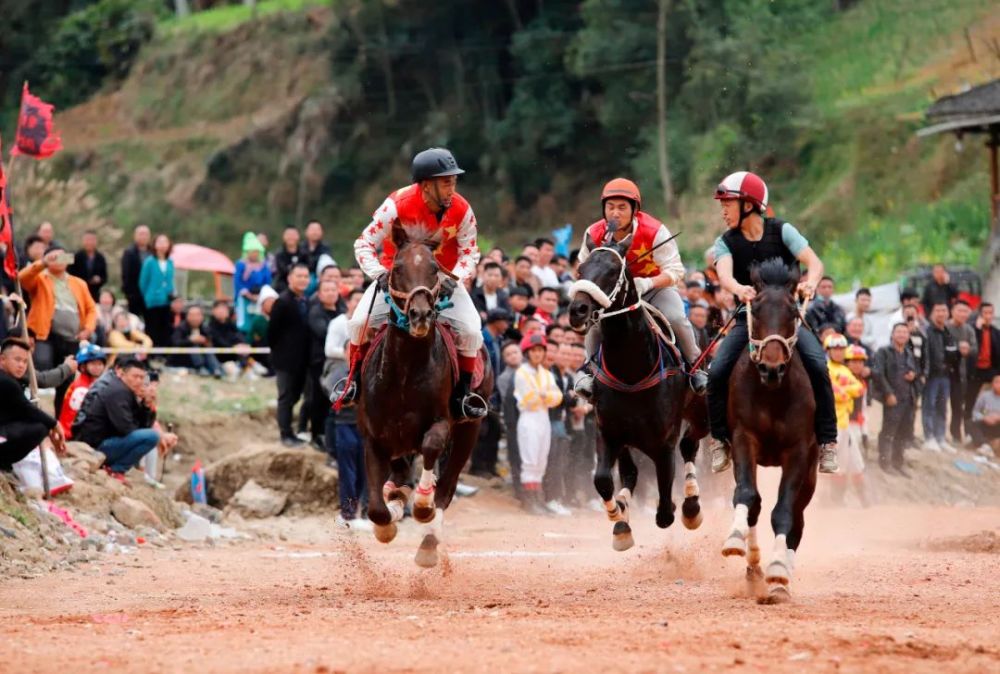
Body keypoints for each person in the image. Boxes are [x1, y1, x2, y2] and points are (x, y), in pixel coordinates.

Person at [338, 147, 487, 421]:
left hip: (443, 279)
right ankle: (353, 384)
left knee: (471, 330)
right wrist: (378, 273)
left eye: (454, 181)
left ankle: (463, 395)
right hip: (398, 279)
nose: (452, 187)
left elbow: (470, 251)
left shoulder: (463, 209)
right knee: (359, 324)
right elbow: (364, 243)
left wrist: (456, 278)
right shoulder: (396, 204)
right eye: (446, 182)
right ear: (426, 185)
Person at [705, 170, 839, 473]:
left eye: (728, 203)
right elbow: (724, 274)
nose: (723, 210)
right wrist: (738, 289)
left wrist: (811, 282)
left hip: (789, 321)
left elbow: (814, 262)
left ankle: (828, 442)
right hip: (748, 320)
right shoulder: (725, 242)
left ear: (748, 205)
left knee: (818, 365)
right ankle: (719, 440)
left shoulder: (782, 231)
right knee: (716, 374)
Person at [574, 178, 708, 397]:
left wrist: (647, 282)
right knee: (596, 322)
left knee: (675, 317)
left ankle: (695, 367)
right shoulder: (594, 233)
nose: (615, 213)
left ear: (635, 209)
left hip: (654, 288)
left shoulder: (655, 230)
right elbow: (583, 267)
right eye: (610, 207)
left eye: (622, 207)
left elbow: (676, 270)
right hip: (614, 294)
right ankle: (588, 370)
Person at [18, 244, 97, 414]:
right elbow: (22, 278)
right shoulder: (40, 278)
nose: (59, 260)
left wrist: (88, 329)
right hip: (45, 335)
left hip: (72, 337)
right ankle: (34, 412)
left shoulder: (79, 283)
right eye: (55, 257)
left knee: (67, 380)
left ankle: (60, 417)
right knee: (41, 371)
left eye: (62, 256)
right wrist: (43, 262)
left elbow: (91, 309)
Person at [72, 358, 175, 482]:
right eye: (135, 376)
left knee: (149, 435)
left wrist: (146, 405)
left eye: (142, 378)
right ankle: (116, 469)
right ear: (122, 374)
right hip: (95, 446)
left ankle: (117, 468)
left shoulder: (127, 391)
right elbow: (125, 429)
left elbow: (143, 425)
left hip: (106, 440)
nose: (139, 381)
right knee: (152, 436)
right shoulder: (118, 391)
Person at [323, 289, 370, 529]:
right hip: (344, 426)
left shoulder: (366, 372)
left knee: (365, 472)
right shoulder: (338, 372)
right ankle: (348, 513)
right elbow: (336, 396)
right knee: (348, 472)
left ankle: (362, 513)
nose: (352, 354)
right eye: (348, 350)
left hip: (364, 427)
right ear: (343, 352)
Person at [514, 333, 563, 515]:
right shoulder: (522, 372)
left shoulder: (547, 374)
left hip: (543, 418)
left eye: (540, 350)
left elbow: (557, 398)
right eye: (534, 350)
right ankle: (529, 500)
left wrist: (543, 395)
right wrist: (545, 396)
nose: (537, 354)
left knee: (541, 459)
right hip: (528, 418)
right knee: (530, 459)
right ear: (528, 352)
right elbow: (529, 399)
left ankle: (538, 499)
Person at [0, 338, 64, 470]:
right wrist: (54, 424)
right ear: (2, 359)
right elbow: (28, 410)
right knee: (40, 427)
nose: (21, 365)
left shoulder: (11, 380)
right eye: (17, 360)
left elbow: (24, 411)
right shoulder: (6, 381)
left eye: (25, 362)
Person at [269, 264, 311, 446]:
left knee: (295, 396)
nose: (302, 279)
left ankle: (292, 430)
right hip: (285, 360)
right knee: (285, 397)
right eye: (299, 276)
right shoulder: (282, 301)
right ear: (290, 278)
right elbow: (272, 332)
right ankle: (285, 433)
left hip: (302, 360)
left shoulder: (306, 301)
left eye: (305, 276)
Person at [872, 323, 920, 475]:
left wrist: (913, 374)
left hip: (908, 397)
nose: (901, 335)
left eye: (905, 332)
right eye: (898, 332)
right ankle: (885, 462)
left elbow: (913, 370)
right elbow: (878, 373)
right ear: (892, 334)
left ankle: (898, 463)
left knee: (903, 432)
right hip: (892, 397)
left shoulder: (908, 352)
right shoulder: (883, 351)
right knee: (888, 430)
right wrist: (888, 393)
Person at [824, 336, 867, 505]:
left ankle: (846, 501)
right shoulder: (826, 368)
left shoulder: (845, 370)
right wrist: (845, 392)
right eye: (835, 349)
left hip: (844, 423)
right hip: (829, 423)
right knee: (829, 464)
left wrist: (844, 392)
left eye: (842, 349)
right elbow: (833, 392)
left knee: (847, 464)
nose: (839, 352)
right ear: (828, 350)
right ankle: (825, 500)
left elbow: (859, 388)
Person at [469, 309, 511, 478]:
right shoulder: (483, 338)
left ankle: (490, 465)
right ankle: (478, 466)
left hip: (494, 392)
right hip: (481, 390)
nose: (507, 325)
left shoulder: (498, 339)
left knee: (494, 430)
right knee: (482, 430)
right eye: (505, 321)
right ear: (496, 321)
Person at [302, 279, 341, 448]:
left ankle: (329, 435)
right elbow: (324, 334)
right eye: (327, 290)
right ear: (319, 294)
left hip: (338, 364)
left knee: (332, 400)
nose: (331, 293)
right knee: (317, 400)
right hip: (319, 362)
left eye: (334, 289)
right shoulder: (315, 312)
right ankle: (316, 434)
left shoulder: (342, 310)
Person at [922, 303, 958, 452]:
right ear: (932, 313)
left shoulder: (948, 332)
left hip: (946, 376)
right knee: (929, 406)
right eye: (937, 310)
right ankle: (929, 437)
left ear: (948, 313)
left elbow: (953, 353)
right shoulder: (927, 331)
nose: (941, 313)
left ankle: (940, 437)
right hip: (931, 376)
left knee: (942, 408)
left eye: (944, 310)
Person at [59, 342, 107, 438]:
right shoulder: (81, 389)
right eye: (93, 364)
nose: (97, 367)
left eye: (100, 364)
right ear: (83, 367)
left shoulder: (89, 384)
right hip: (72, 435)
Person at [947, 300, 977, 445]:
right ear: (952, 311)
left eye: (965, 311)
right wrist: (956, 348)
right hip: (944, 371)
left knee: (958, 406)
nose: (962, 314)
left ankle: (956, 434)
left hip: (961, 373)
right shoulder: (946, 327)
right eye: (960, 310)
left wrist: (968, 350)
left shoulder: (969, 330)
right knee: (937, 404)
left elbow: (975, 348)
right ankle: (935, 434)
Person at [139, 234, 176, 346]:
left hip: (166, 300)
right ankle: (152, 353)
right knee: (152, 328)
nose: (163, 245)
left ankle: (164, 353)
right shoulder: (149, 262)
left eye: (165, 242)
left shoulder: (170, 262)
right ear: (154, 245)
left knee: (165, 328)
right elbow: (143, 282)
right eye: (159, 242)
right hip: (152, 301)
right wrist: (148, 295)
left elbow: (170, 281)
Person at [234, 232, 273, 331]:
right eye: (252, 251)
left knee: (259, 320)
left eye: (256, 251)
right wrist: (247, 294)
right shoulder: (241, 264)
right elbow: (238, 281)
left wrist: (260, 295)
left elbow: (267, 281)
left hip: (259, 297)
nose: (254, 254)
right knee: (244, 321)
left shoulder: (263, 266)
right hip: (244, 297)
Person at [170, 305, 223, 377]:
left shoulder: (205, 328)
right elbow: (175, 342)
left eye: (197, 315)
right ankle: (200, 368)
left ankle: (216, 369)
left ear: (202, 317)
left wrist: (205, 341)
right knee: (194, 346)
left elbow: (213, 342)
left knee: (208, 350)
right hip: (183, 358)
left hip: (203, 356)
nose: (195, 318)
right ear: (187, 316)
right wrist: (190, 340)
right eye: (192, 315)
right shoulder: (181, 328)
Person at [969, 303, 1000, 422]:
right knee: (971, 401)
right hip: (975, 371)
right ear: (980, 314)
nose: (988, 316)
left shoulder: (996, 332)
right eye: (985, 313)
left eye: (990, 313)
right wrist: (978, 330)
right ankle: (969, 431)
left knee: (991, 400)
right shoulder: (972, 329)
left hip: (991, 370)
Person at [120, 225, 151, 317]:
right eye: (141, 234)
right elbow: (125, 274)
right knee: (134, 319)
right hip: (134, 294)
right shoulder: (129, 252)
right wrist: (128, 293)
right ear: (135, 236)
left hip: (150, 294)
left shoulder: (153, 252)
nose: (143, 237)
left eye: (146, 234)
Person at [68, 230, 108, 302]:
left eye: (92, 240)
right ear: (83, 241)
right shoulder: (75, 255)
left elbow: (104, 277)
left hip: (94, 293)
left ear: (96, 241)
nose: (89, 242)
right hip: (77, 292)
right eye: (87, 240)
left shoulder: (101, 257)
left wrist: (99, 279)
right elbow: (67, 273)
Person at [970, 374, 1000, 454]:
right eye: (996, 382)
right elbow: (975, 411)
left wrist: (997, 417)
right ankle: (985, 445)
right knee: (970, 423)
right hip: (986, 422)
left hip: (998, 425)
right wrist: (984, 417)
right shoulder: (985, 396)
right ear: (992, 384)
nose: (998, 385)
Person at [272, 227, 305, 293]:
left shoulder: (304, 253)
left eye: (293, 235)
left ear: (298, 236)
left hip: (301, 280)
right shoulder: (279, 254)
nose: (291, 237)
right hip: (283, 282)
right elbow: (282, 270)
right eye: (288, 235)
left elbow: (307, 266)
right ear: (284, 237)